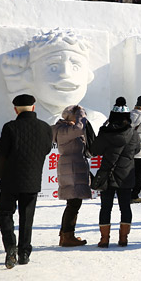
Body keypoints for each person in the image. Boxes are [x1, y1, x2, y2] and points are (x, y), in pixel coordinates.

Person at [1, 28, 108, 129]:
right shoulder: (28, 123)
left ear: (88, 76)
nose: (66, 74)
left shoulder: (97, 120)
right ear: (30, 76)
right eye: (54, 67)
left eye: (75, 67)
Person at [0, 94, 53, 268]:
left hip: (10, 180)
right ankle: (24, 253)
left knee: (5, 213)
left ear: (15, 109)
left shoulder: (10, 127)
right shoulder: (45, 128)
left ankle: (11, 247)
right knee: (27, 218)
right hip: (32, 180)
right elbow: (47, 149)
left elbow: (1, 151)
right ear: (34, 107)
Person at [90, 97, 140, 248]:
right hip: (126, 175)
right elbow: (137, 150)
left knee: (105, 207)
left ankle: (104, 239)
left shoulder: (106, 133)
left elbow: (94, 151)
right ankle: (123, 238)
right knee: (125, 207)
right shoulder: (132, 133)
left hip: (108, 175)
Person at [52, 105, 92, 247]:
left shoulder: (65, 128)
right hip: (72, 168)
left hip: (72, 166)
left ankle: (66, 234)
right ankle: (67, 236)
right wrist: (80, 113)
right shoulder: (65, 130)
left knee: (73, 203)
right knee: (73, 203)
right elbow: (80, 128)